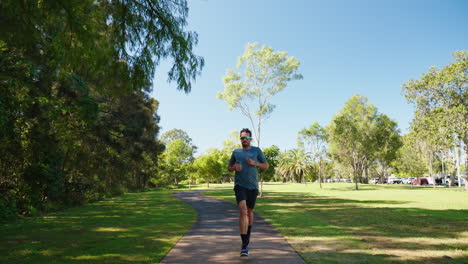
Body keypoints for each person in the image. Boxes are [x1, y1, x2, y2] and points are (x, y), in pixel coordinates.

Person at [228, 128, 268, 257]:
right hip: (240, 186)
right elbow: (229, 167)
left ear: (250, 139)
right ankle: (244, 245)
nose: (244, 140)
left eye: (246, 138)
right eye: (242, 138)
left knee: (250, 212)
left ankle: (247, 236)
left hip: (253, 187)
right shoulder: (236, 152)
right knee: (243, 210)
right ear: (240, 139)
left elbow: (266, 166)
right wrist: (234, 168)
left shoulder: (256, 151)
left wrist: (254, 163)